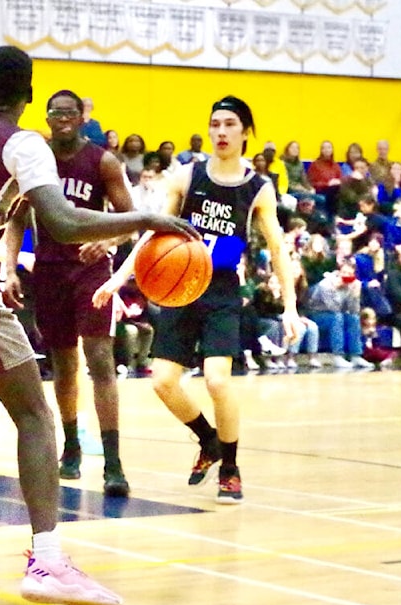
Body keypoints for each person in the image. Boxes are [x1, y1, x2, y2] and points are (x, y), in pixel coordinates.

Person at [0, 45, 198, 605]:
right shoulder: (21, 140)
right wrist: (147, 217)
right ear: (28, 95)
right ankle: (48, 561)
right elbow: (63, 220)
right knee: (33, 412)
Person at [94, 95, 300, 505]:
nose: (221, 132)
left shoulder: (258, 187)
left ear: (245, 132)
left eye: (229, 124)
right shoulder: (186, 177)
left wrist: (291, 306)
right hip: (180, 287)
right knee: (163, 381)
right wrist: (118, 278)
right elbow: (153, 234)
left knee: (217, 380)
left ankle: (230, 468)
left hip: (221, 289)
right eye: (215, 124)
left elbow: (277, 248)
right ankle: (209, 441)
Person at [3, 89, 133, 497]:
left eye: (68, 112)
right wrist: (9, 267)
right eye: (54, 112)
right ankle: (72, 445)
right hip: (50, 270)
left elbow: (130, 219)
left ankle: (113, 462)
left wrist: (109, 243)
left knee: (100, 359)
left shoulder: (102, 161)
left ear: (82, 118)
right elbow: (15, 220)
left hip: (91, 269)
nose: (61, 118)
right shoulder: (33, 159)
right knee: (63, 364)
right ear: (47, 117)